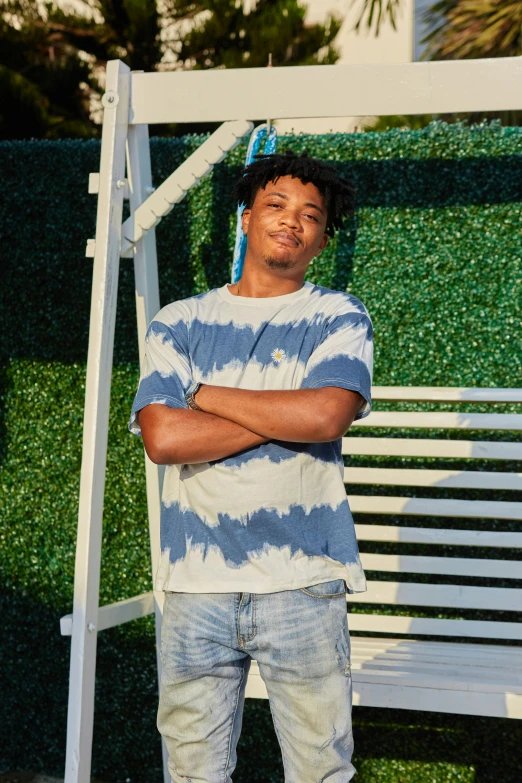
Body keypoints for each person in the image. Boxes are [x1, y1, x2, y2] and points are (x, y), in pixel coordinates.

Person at [129, 150, 373, 783]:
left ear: (321, 237)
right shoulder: (178, 322)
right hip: (194, 586)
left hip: (303, 583)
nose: (292, 221)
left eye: (310, 215)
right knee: (190, 774)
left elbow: (324, 417)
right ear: (245, 218)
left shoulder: (338, 316)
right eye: (276, 205)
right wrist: (279, 412)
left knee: (321, 772)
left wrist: (203, 394)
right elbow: (162, 437)